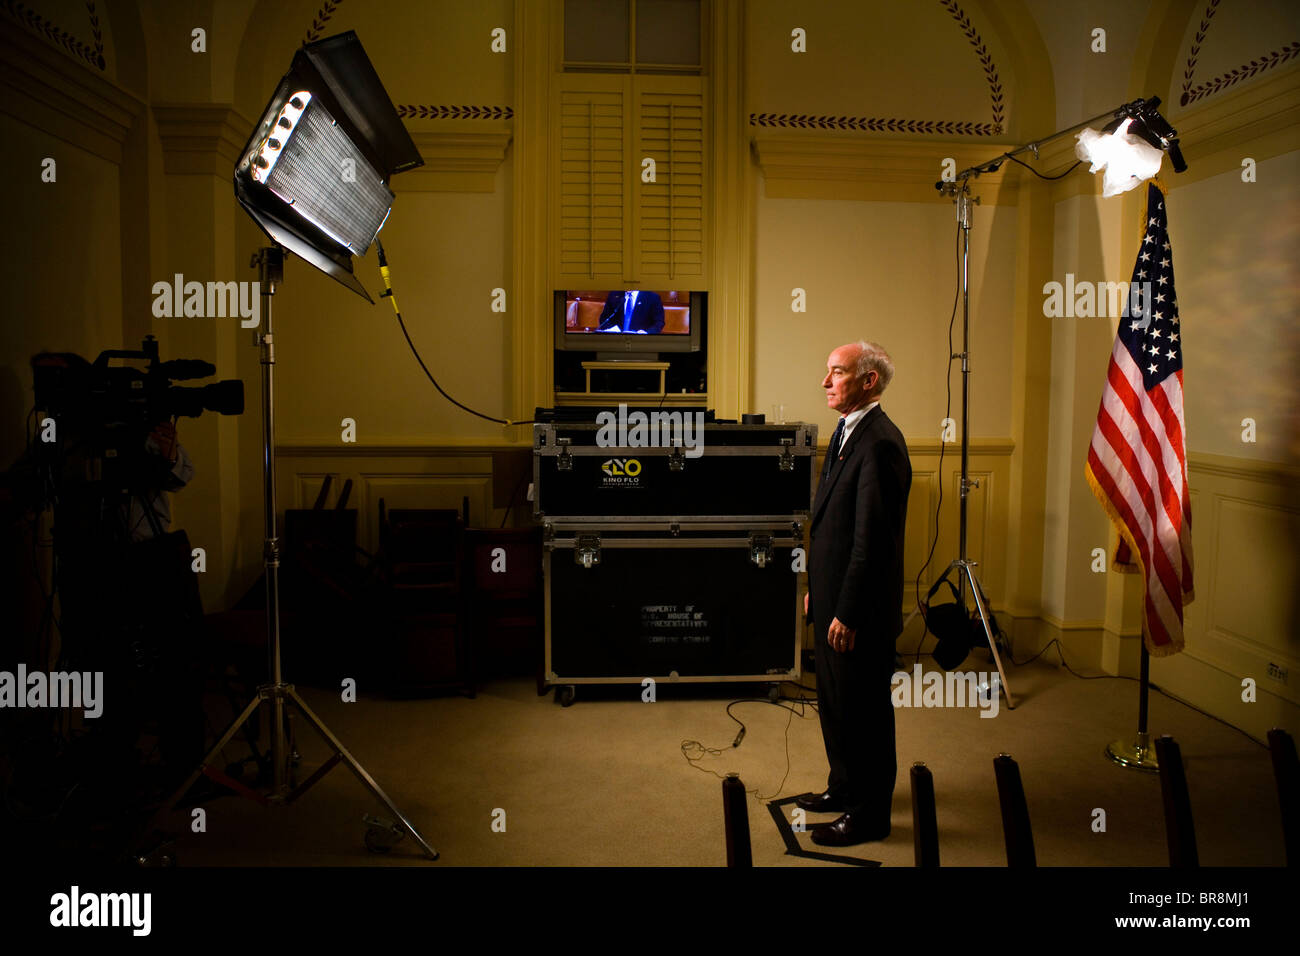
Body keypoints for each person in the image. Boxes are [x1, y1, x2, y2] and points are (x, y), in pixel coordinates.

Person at [801, 340, 911, 846]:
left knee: (865, 712)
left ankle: (870, 816)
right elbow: (831, 528)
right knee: (835, 703)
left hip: (858, 613)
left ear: (869, 381)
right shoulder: (848, 430)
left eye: (837, 373)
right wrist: (817, 594)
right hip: (832, 602)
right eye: (827, 372)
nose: (826, 382)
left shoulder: (881, 442)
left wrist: (846, 610)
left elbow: (871, 544)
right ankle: (844, 788)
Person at [595, 289, 665, 333]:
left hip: (641, 342)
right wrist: (613, 330)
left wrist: (646, 333)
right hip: (617, 340)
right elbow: (604, 319)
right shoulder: (614, 295)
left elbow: (659, 322)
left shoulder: (652, 297)